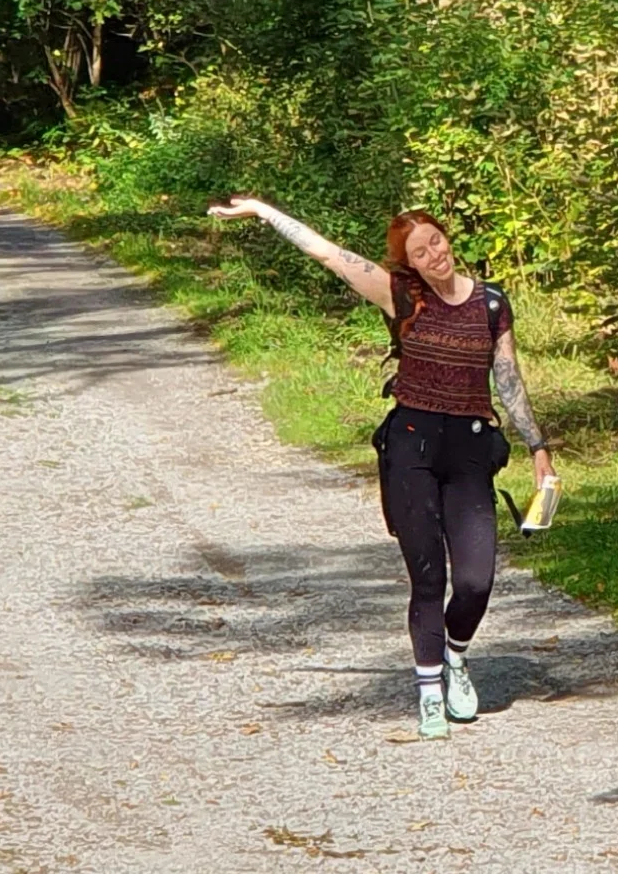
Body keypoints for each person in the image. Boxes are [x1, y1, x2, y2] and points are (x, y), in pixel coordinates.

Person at [207, 197, 555, 739]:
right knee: (428, 578)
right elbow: (329, 254)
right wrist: (264, 212)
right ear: (408, 264)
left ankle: (456, 655)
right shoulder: (401, 298)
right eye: (420, 251)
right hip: (412, 449)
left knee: (474, 581)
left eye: (436, 241)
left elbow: (508, 380)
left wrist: (538, 448)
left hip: (469, 453)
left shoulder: (491, 304)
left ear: (447, 240)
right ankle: (429, 694)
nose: (433, 253)